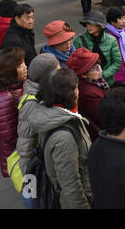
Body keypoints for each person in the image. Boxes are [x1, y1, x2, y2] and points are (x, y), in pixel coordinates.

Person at [29, 69, 92, 209]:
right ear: (69, 95)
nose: (78, 90)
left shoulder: (49, 112)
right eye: (76, 87)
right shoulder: (64, 138)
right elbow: (71, 186)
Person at [16, 53, 59, 208]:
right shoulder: (31, 103)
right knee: (32, 199)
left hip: (42, 161)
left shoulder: (42, 91)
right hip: (34, 165)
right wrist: (29, 184)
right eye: (57, 68)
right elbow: (25, 145)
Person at [0, 47, 26, 178]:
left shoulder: (14, 84)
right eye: (20, 65)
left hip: (23, 149)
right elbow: (9, 136)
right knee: (29, 188)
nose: (25, 67)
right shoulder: (3, 98)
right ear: (9, 72)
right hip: (18, 154)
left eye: (24, 63)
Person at [67, 47, 109, 142]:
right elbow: (104, 116)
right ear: (83, 74)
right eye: (95, 68)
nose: (100, 70)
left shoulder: (94, 81)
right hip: (100, 136)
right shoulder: (86, 93)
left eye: (99, 65)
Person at [74, 10, 122, 87]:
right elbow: (75, 65)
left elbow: (117, 62)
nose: (88, 26)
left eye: (92, 24)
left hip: (107, 83)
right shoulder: (78, 41)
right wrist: (89, 75)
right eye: (87, 23)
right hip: (87, 85)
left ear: (100, 25)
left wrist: (102, 75)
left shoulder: (111, 40)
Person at [1, 4, 37, 68]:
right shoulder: (12, 40)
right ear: (17, 19)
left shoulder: (27, 32)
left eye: (32, 17)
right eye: (27, 18)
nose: (31, 21)